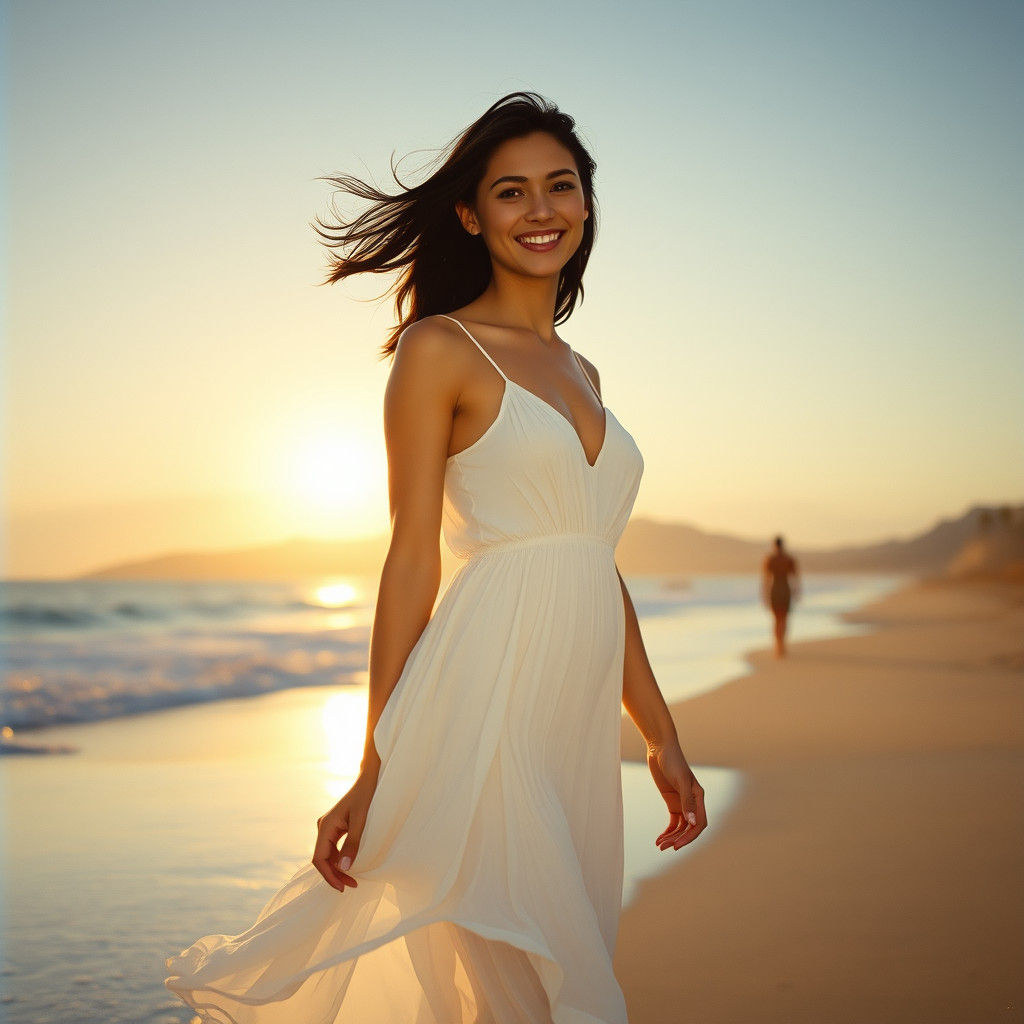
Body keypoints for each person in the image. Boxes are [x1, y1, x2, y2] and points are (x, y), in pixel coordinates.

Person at [165, 90, 707, 1024]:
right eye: (510, 192)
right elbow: (410, 558)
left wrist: (660, 736)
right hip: (480, 698)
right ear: (471, 213)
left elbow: (593, 565)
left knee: (551, 967)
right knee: (543, 983)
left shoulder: (585, 373)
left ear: (586, 204)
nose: (540, 210)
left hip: (570, 723)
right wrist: (378, 762)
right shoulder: (439, 350)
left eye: (560, 186)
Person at [762, 534, 801, 657]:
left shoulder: (770, 559)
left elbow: (766, 579)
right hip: (785, 589)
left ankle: (778, 645)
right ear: (782, 545)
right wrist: (796, 591)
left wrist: (765, 594)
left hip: (775, 589)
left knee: (777, 619)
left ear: (774, 545)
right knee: (783, 619)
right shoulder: (788, 559)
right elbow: (795, 578)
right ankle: (781, 644)